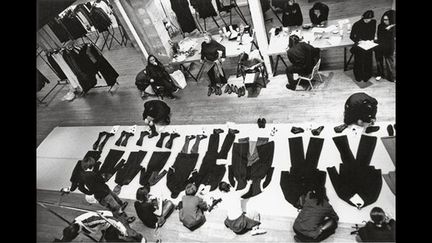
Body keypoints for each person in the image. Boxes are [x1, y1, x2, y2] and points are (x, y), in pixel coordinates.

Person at [54, 210, 144, 242]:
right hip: (102, 226)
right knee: (110, 240)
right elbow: (65, 237)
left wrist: (123, 229)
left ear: (78, 232)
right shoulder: (72, 227)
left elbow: (111, 219)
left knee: (123, 235)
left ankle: (139, 239)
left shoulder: (90, 221)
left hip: (110, 220)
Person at [350, 10, 377, 82]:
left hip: (368, 44)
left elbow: (372, 32)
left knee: (368, 60)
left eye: (369, 19)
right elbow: (352, 36)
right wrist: (359, 41)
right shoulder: (357, 24)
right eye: (366, 19)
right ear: (363, 18)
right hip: (360, 44)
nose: (368, 21)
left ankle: (366, 76)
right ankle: (358, 76)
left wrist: (372, 39)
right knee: (359, 61)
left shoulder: (373, 22)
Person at [200, 32, 227, 96]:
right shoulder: (203, 44)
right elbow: (202, 51)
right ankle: (213, 84)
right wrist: (202, 58)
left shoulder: (214, 43)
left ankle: (223, 82)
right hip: (209, 61)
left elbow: (223, 48)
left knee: (220, 72)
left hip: (215, 60)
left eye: (206, 39)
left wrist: (223, 57)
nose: (204, 40)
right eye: (204, 39)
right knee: (209, 72)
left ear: (210, 38)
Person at [375, 10, 395, 82]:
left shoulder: (393, 28)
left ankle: (392, 77)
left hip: (388, 47)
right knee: (378, 61)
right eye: (384, 19)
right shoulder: (380, 26)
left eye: (386, 20)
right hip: (380, 46)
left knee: (389, 63)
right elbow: (380, 36)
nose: (384, 21)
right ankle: (380, 74)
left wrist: (391, 26)